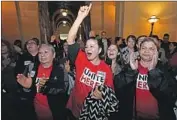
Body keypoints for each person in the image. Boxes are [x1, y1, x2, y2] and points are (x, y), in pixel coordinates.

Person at [66, 4, 114, 119]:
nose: (88, 49)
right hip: (76, 110)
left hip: (93, 113)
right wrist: (80, 18)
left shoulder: (106, 69)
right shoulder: (81, 58)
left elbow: (110, 94)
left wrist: (102, 96)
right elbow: (70, 40)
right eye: (87, 46)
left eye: (92, 46)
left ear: (100, 50)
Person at [114, 37, 177, 120]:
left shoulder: (164, 70)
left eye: (151, 48)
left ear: (157, 52)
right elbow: (118, 89)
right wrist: (131, 72)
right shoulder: (132, 68)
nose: (146, 51)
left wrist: (153, 73)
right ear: (139, 51)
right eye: (143, 48)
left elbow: (170, 96)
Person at [17, 44, 67, 120]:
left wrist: (45, 88)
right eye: (40, 53)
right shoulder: (32, 67)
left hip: (55, 109)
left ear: (53, 55)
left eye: (46, 52)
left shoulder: (60, 69)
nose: (42, 55)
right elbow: (28, 90)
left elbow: (63, 88)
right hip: (36, 108)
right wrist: (27, 87)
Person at [2, 39, 20, 120]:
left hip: (16, 86)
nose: (1, 48)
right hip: (3, 88)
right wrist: (3, 66)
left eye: (3, 45)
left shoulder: (15, 56)